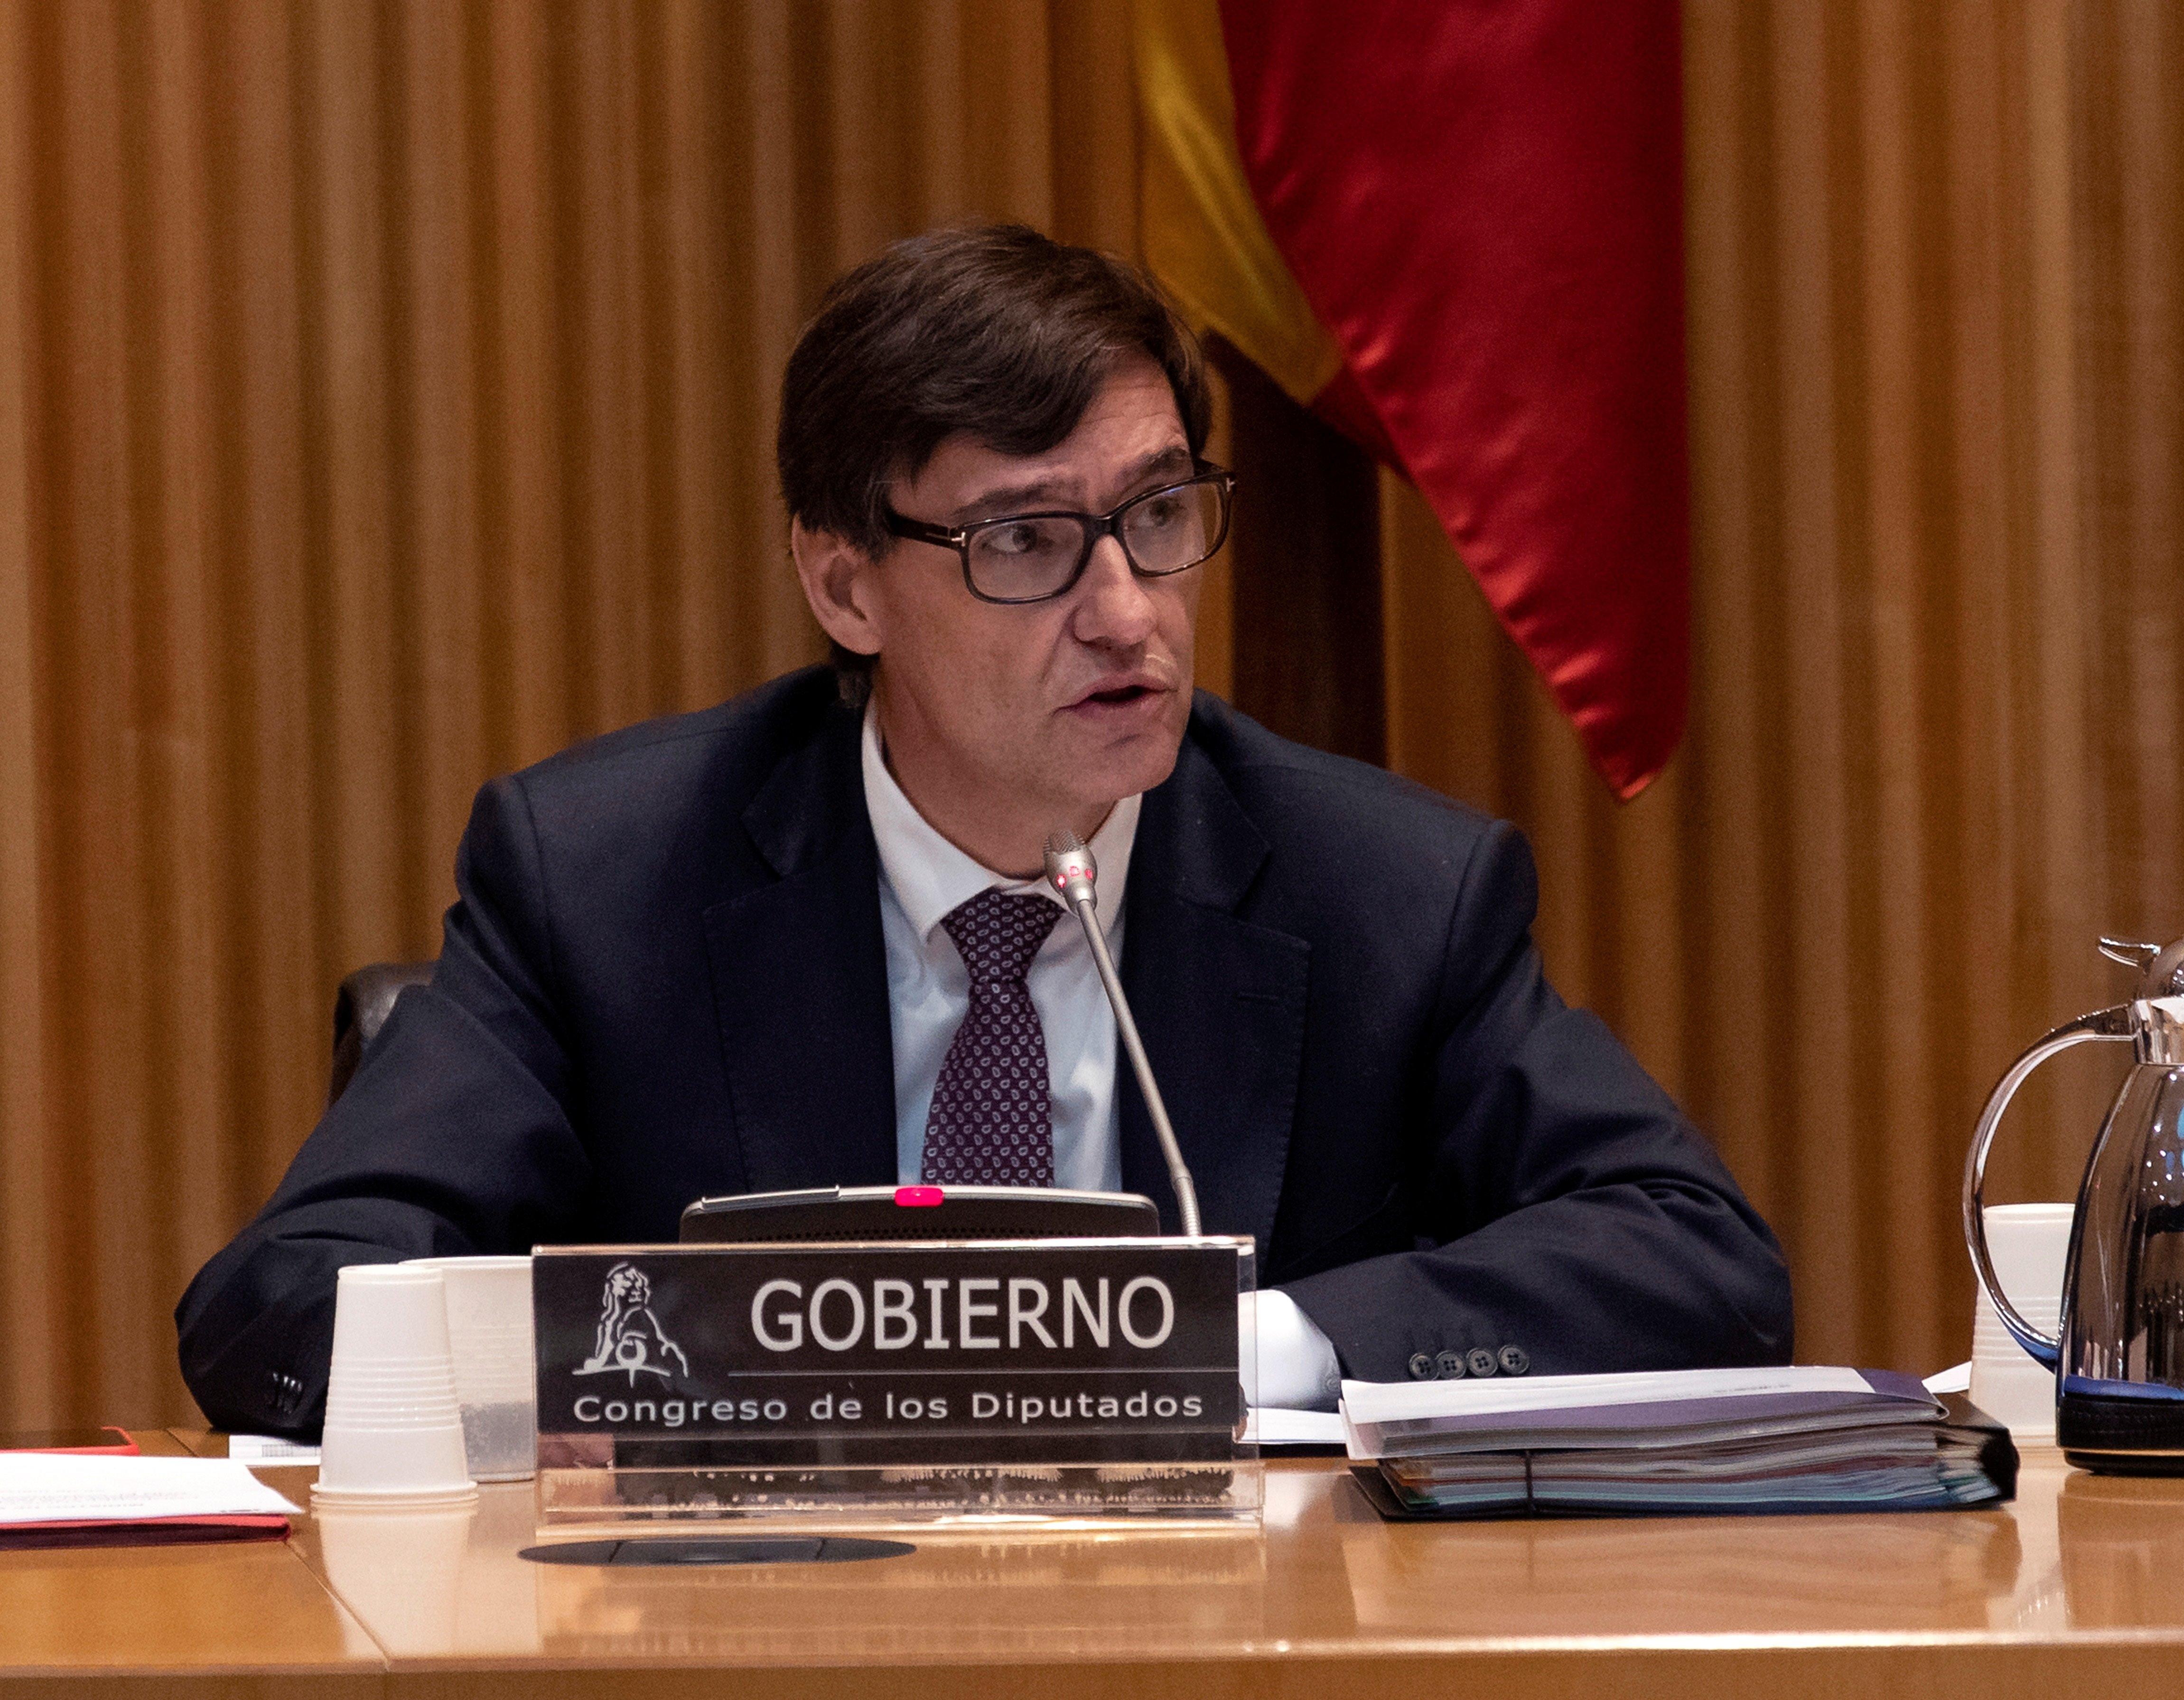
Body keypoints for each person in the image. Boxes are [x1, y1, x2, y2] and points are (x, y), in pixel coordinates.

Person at [177, 224, 1792, 1437]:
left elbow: (1699, 1263)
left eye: (1159, 517)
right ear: (844, 582)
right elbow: (283, 1304)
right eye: (1028, 538)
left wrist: (1264, 1342)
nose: (1127, 612)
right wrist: (714, 1348)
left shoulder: (1383, 891)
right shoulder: (606, 883)